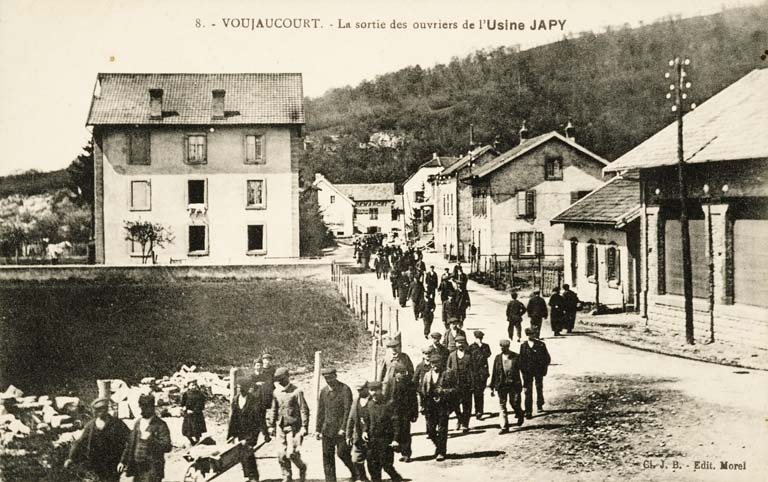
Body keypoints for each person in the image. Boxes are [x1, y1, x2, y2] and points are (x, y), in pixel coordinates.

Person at [64, 398, 130, 482]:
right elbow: (80, 442)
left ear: (106, 409)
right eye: (96, 410)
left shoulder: (117, 424)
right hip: (96, 463)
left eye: (100, 410)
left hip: (113, 463)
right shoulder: (91, 425)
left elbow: (129, 441)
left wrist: (123, 461)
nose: (97, 413)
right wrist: (71, 457)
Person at [118, 394, 172, 482]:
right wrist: (123, 461)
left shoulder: (160, 425)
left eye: (146, 407)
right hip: (137, 469)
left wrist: (151, 440)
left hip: (152, 469)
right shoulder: (138, 423)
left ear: (152, 408)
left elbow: (167, 447)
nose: (142, 410)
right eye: (141, 407)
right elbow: (130, 444)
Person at [268, 367, 309, 482]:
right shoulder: (276, 392)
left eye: (282, 379)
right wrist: (271, 425)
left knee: (291, 453)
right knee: (281, 454)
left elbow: (304, 410)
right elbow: (274, 409)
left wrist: (304, 426)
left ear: (287, 377)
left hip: (294, 427)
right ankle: (287, 477)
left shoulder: (297, 392)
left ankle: (302, 467)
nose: (280, 382)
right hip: (280, 426)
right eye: (278, 380)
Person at [316, 368, 355, 482]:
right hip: (327, 429)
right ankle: (330, 480)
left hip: (341, 430)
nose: (329, 381)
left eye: (331, 378)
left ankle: (356, 473)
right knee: (327, 457)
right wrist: (318, 429)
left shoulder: (345, 389)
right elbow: (320, 411)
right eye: (326, 378)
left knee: (343, 453)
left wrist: (344, 428)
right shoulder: (323, 391)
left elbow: (348, 411)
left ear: (335, 376)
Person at [227, 376, 269, 482]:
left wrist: (265, 433)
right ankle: (249, 475)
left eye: (241, 387)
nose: (239, 390)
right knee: (242, 453)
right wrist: (231, 435)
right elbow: (233, 418)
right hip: (240, 431)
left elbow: (260, 419)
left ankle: (253, 477)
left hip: (252, 431)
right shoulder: (235, 399)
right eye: (238, 387)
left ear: (246, 388)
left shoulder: (254, 400)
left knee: (248, 452)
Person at [363, 381, 404, 482]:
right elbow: (366, 420)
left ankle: (397, 478)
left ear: (381, 390)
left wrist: (395, 439)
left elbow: (396, 422)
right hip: (372, 440)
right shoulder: (369, 404)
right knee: (372, 466)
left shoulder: (389, 404)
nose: (374, 393)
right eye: (371, 390)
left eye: (376, 390)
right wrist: (364, 431)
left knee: (386, 465)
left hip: (385, 439)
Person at [420, 353, 456, 461]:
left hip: (443, 406)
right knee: (430, 431)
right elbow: (423, 392)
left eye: (437, 363)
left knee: (442, 430)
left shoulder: (448, 373)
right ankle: (439, 446)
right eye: (432, 363)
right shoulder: (427, 375)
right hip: (430, 406)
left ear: (441, 363)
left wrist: (443, 392)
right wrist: (422, 405)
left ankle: (441, 452)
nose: (434, 365)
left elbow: (455, 389)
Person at [489, 340, 525, 433]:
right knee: (502, 405)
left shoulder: (516, 356)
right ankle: (504, 427)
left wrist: (525, 384)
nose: (502, 348)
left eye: (504, 347)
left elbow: (523, 370)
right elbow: (494, 372)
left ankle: (520, 413)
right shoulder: (498, 358)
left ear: (508, 347)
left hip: (514, 385)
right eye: (501, 346)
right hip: (502, 385)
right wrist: (492, 387)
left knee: (514, 403)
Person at [386, 366, 418, 463]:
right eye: (400, 373)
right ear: (396, 373)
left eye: (404, 373)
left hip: (405, 411)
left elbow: (414, 399)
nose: (402, 375)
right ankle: (399, 448)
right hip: (393, 411)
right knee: (395, 430)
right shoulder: (390, 382)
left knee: (405, 431)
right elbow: (387, 396)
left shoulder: (409, 383)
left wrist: (415, 413)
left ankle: (406, 454)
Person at [519, 328, 552, 418]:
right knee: (528, 391)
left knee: (539, 388)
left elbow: (547, 358)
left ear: (534, 334)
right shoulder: (523, 346)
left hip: (538, 371)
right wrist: (523, 371)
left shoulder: (541, 345)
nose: (530, 336)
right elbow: (521, 360)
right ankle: (528, 411)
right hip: (527, 372)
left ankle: (540, 404)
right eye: (528, 334)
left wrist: (543, 369)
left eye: (532, 334)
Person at [446, 335, 474, 432]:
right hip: (455, 384)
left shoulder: (469, 355)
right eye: (458, 343)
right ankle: (459, 418)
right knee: (455, 404)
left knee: (467, 405)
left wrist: (472, 384)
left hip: (467, 384)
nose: (460, 345)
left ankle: (465, 424)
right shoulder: (452, 355)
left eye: (462, 343)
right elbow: (448, 370)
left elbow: (473, 371)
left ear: (465, 344)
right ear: (456, 344)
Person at [346, 381, 371, 482]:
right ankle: (363, 477)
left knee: (373, 462)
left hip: (371, 436)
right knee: (356, 460)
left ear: (367, 388)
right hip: (358, 436)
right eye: (358, 390)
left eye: (361, 390)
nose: (359, 392)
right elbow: (351, 418)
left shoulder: (373, 400)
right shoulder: (356, 401)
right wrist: (348, 435)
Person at [468, 330, 491, 420]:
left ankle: (479, 411)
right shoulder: (471, 347)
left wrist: (480, 348)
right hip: (474, 373)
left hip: (483, 373)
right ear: (475, 338)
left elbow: (488, 354)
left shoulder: (486, 346)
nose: (479, 340)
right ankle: (475, 411)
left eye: (480, 338)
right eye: (478, 338)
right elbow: (470, 359)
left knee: (480, 393)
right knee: (474, 392)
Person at [180, 379, 207, 446]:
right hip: (188, 415)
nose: (194, 387)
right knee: (186, 431)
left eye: (195, 385)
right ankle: (192, 441)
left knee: (196, 430)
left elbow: (201, 405)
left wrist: (194, 411)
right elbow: (183, 403)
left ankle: (197, 442)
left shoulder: (200, 394)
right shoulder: (186, 394)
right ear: (188, 386)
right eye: (192, 385)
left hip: (197, 415)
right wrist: (184, 408)